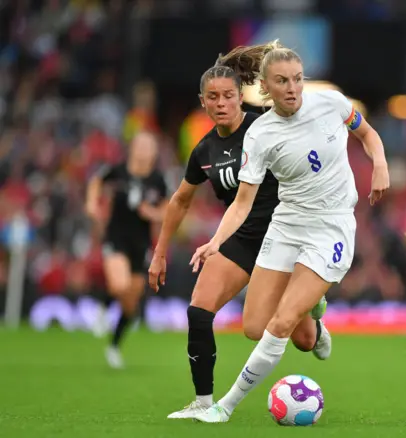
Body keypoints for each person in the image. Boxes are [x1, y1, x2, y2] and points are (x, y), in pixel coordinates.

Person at [187, 40, 389, 423]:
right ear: (265, 88)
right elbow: (243, 202)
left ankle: (223, 407)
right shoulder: (260, 135)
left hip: (330, 228)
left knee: (280, 325)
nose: (293, 87)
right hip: (287, 224)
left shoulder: (330, 102)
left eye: (297, 79)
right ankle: (316, 311)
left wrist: (379, 163)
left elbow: (367, 134)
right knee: (258, 328)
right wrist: (216, 241)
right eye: (282, 81)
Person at [146, 48, 331, 420]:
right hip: (242, 239)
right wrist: (160, 252)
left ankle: (314, 313)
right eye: (212, 97)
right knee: (199, 312)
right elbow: (180, 201)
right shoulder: (204, 150)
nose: (221, 103)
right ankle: (202, 403)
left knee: (306, 341)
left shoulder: (266, 122)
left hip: (286, 235)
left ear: (240, 96)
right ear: (203, 102)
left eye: (228, 95)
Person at [85, 131, 168, 369]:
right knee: (118, 285)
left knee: (131, 303)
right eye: (140, 145)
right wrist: (92, 204)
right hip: (116, 236)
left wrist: (152, 213)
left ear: (154, 152)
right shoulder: (117, 171)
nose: (144, 151)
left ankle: (113, 346)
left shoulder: (157, 180)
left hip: (141, 244)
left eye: (149, 146)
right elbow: (96, 181)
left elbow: (168, 208)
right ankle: (103, 307)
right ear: (132, 148)